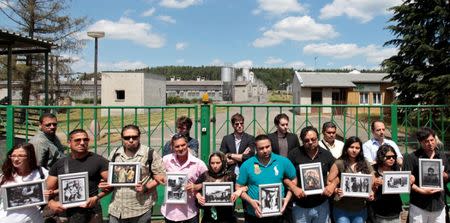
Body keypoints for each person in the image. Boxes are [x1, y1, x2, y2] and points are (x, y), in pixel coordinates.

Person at [46, 129, 110, 223]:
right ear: (69, 143)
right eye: (77, 140)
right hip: (66, 214)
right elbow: (48, 190)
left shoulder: (99, 161)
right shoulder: (60, 163)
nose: (82, 142)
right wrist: (51, 203)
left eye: (85, 140)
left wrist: (96, 198)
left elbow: (113, 184)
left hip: (91, 213)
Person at [105, 124, 166, 223]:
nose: (131, 140)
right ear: (122, 138)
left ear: (139, 137)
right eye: (127, 137)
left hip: (140, 209)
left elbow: (161, 176)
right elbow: (108, 175)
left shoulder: (149, 153)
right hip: (116, 209)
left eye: (134, 137)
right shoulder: (115, 154)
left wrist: (145, 187)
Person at [236, 134, 297, 223]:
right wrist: (251, 201)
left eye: (267, 147)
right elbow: (238, 187)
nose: (265, 150)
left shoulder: (283, 161)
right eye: (261, 148)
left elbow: (293, 180)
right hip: (254, 215)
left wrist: (287, 199)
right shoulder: (247, 165)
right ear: (256, 149)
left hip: (278, 215)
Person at [284, 126, 337, 223]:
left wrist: (332, 186)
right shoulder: (294, 154)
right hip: (300, 206)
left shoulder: (326, 154)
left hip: (322, 205)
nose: (310, 142)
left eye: (313, 139)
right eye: (306, 140)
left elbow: (337, 175)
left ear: (318, 138)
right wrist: (294, 188)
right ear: (302, 140)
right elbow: (285, 177)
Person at [403, 127, 449, 223]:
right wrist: (421, 190)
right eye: (426, 141)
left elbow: (449, 174)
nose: (430, 143)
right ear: (420, 142)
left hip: (438, 204)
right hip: (419, 205)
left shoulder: (442, 156)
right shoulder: (411, 158)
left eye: (432, 140)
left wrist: (446, 176)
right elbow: (406, 181)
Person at [161, 133, 208, 223]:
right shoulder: (166, 160)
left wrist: (196, 187)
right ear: (172, 147)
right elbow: (157, 174)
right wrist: (163, 179)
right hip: (169, 212)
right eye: (177, 146)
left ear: (187, 145)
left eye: (183, 145)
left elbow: (208, 182)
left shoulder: (198, 163)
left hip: (190, 212)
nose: (181, 148)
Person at [328, 136, 375, 223]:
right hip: (341, 209)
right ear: (346, 148)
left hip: (360, 209)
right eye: (351, 147)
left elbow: (372, 179)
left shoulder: (365, 162)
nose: (354, 150)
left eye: (357, 148)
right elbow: (329, 181)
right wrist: (335, 190)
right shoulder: (339, 162)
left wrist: (370, 190)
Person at [0, 143, 51, 223]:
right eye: (13, 156)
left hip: (34, 220)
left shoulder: (42, 173)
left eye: (20, 156)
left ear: (29, 157)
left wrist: (49, 193)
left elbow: (56, 190)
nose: (16, 159)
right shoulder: (4, 176)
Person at [195, 151, 246, 223]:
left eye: (218, 163)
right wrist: (198, 196)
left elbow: (244, 187)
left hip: (227, 217)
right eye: (212, 163)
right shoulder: (205, 175)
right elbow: (195, 188)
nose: (215, 166)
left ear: (223, 162)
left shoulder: (230, 176)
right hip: (209, 217)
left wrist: (238, 192)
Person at [371, 144, 412, 223]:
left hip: (394, 210)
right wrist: (375, 182)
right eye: (388, 157)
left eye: (393, 157)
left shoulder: (397, 168)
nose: (392, 159)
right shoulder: (374, 168)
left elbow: (402, 184)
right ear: (381, 157)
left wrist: (409, 180)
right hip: (378, 211)